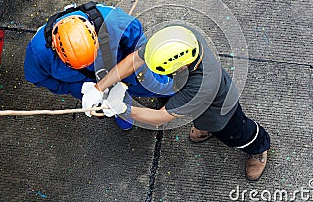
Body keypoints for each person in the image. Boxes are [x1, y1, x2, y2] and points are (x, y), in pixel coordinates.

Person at [83, 25, 271, 181]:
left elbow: (159, 118)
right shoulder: (178, 38)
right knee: (196, 116)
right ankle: (205, 128)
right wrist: (99, 88)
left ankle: (258, 146)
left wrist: (123, 109)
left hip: (219, 111)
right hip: (195, 99)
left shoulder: (201, 85)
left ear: (180, 67)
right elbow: (135, 59)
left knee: (235, 132)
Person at [24, 2, 174, 130]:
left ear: (95, 35)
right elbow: (39, 79)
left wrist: (136, 76)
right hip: (89, 87)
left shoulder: (115, 22)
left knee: (156, 86)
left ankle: (172, 90)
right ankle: (120, 113)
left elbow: (141, 51)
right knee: (113, 106)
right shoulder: (37, 54)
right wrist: (78, 88)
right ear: (55, 49)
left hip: (126, 71)